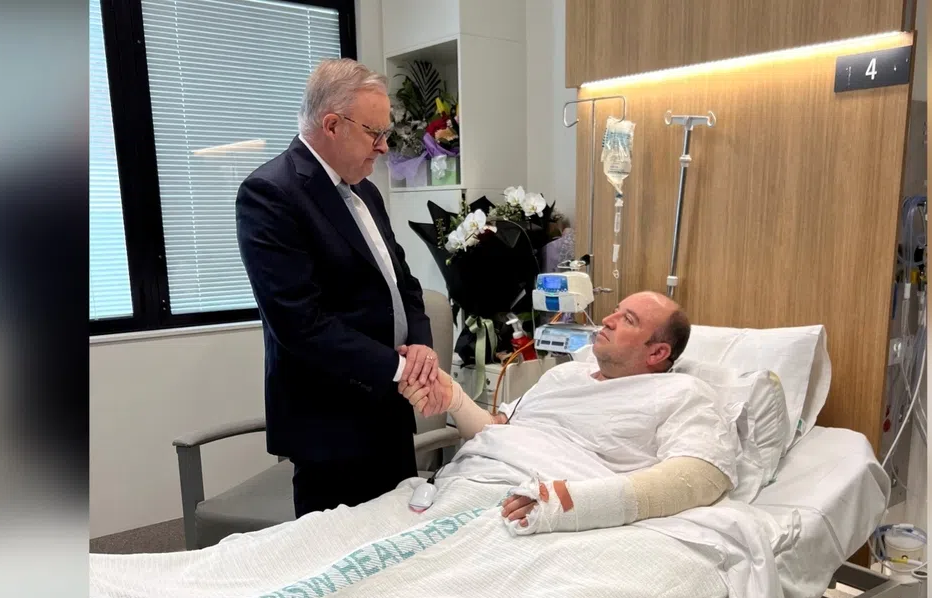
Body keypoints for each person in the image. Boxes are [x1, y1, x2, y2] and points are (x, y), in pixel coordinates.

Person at [237, 58, 441, 518]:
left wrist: (422, 349)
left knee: (399, 547)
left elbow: (403, 283)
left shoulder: (364, 191)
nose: (385, 148)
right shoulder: (271, 194)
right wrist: (400, 368)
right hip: (331, 425)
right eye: (375, 134)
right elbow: (299, 323)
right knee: (336, 571)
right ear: (332, 125)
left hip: (389, 408)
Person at [399, 291, 741, 534]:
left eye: (628, 320)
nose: (607, 319)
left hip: (535, 508)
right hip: (464, 484)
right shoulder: (565, 375)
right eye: (616, 310)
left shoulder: (681, 393)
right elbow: (497, 430)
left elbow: (698, 477)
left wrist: (570, 503)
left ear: (657, 352)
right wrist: (455, 399)